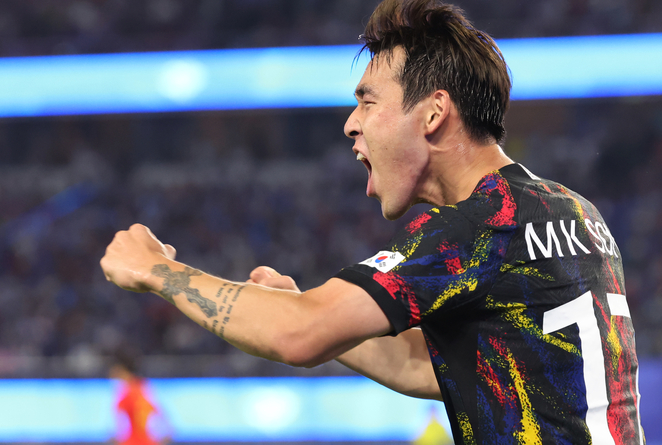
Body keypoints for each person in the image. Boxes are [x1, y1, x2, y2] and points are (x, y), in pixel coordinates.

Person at [100, 0, 645, 442]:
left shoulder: (478, 225)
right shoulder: (574, 211)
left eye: (367, 102)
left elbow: (297, 334)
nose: (350, 124)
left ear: (433, 113)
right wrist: (327, 317)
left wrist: (157, 270)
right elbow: (443, 367)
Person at [110, 350, 171, 445]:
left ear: (120, 369)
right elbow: (160, 413)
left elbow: (119, 425)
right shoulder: (144, 386)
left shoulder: (126, 392)